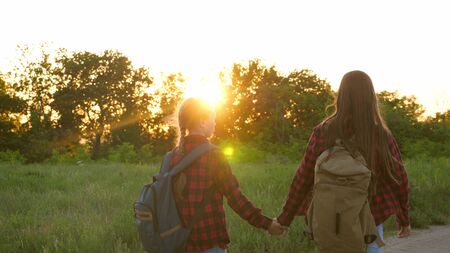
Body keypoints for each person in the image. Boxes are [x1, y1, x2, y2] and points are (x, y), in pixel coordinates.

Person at [276, 70, 411, 253]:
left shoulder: (323, 131)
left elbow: (303, 177)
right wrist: (404, 219)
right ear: (371, 98)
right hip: (369, 218)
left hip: (327, 218)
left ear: (341, 96)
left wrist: (284, 219)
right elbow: (399, 179)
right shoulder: (380, 135)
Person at [169, 97, 286, 253]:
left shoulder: (171, 157)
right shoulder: (213, 155)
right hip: (209, 243)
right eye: (213, 118)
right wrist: (267, 224)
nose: (215, 123)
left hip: (178, 244)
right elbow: (235, 198)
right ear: (203, 121)